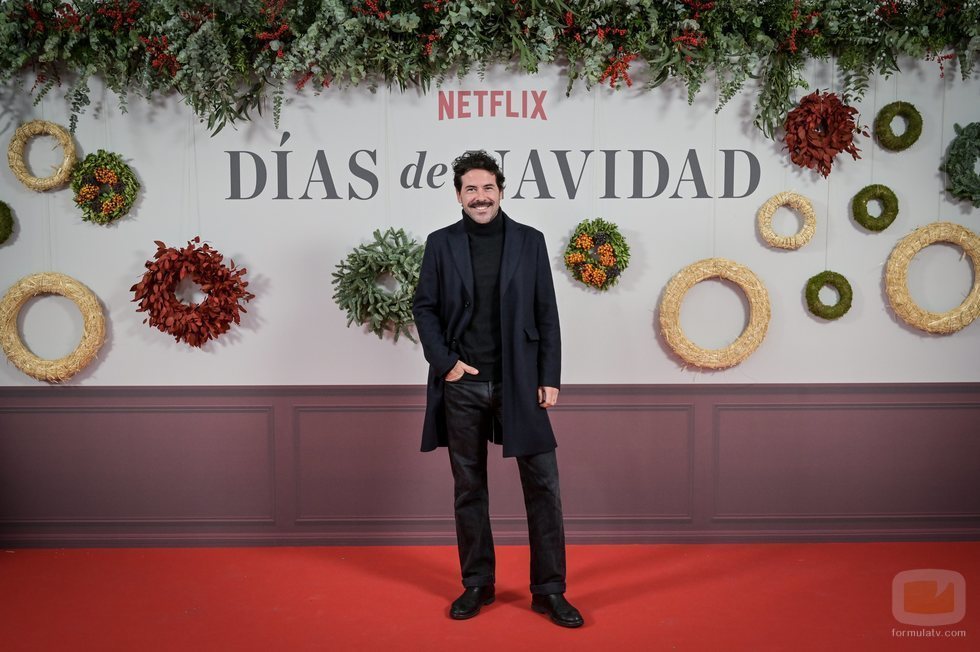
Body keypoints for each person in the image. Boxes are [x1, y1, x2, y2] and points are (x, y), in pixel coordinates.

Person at [412, 150, 583, 628]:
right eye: (471, 189)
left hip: (520, 384)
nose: (480, 196)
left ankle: (549, 591)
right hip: (462, 384)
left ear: (501, 192)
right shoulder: (440, 243)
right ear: (459, 195)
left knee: (544, 488)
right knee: (469, 488)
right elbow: (424, 308)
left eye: (488, 188)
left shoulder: (530, 241)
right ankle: (477, 583)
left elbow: (546, 312)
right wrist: (446, 364)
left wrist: (549, 377)